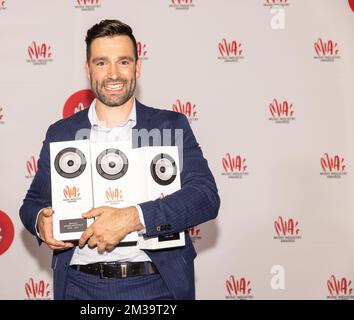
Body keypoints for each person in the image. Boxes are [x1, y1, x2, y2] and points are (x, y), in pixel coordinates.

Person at [19, 19, 220, 300]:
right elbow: (32, 204)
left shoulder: (169, 126)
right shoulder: (62, 132)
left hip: (157, 286)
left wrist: (134, 217)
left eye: (123, 62)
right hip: (80, 287)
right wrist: (42, 221)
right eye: (102, 63)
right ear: (88, 71)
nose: (113, 74)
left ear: (137, 67)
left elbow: (205, 197)